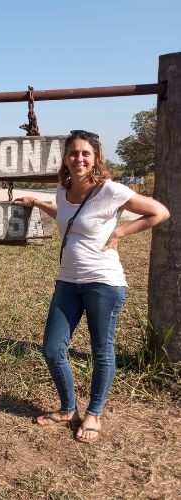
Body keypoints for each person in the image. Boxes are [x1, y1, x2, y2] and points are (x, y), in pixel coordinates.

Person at [14, 130, 170, 443]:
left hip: (104, 283)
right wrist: (38, 202)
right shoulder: (64, 187)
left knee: (102, 351)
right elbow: (69, 214)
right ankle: (69, 409)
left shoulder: (109, 190)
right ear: (66, 158)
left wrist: (121, 233)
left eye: (86, 153)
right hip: (68, 281)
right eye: (73, 153)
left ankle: (94, 413)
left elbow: (159, 212)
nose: (79, 159)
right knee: (52, 348)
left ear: (96, 158)